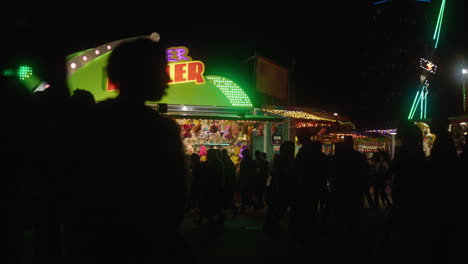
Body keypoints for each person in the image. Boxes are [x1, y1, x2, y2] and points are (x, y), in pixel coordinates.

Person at [73, 38, 191, 263]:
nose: (167, 78)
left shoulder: (93, 120)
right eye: (161, 70)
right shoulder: (159, 128)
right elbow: (172, 195)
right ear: (142, 73)